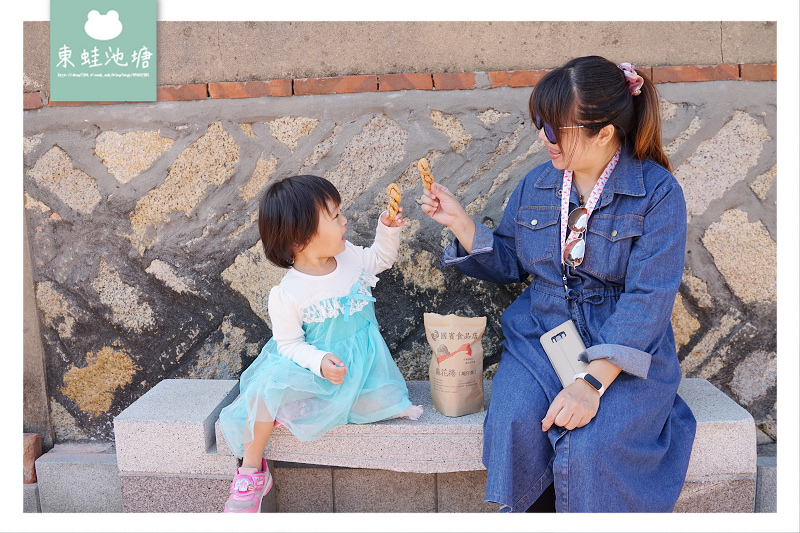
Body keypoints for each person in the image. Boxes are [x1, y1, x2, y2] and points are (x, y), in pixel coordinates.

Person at [420, 55, 696, 512]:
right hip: (541, 335)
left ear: (604, 131)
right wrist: (461, 223)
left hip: (618, 348)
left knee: (592, 447)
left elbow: (648, 301)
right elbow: (510, 263)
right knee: (513, 421)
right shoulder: (537, 184)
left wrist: (590, 383)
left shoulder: (659, 193)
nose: (542, 138)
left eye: (554, 129)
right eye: (539, 123)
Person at [219, 175, 422, 513]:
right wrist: (320, 361)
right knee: (264, 390)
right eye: (334, 216)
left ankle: (314, 407)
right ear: (300, 236)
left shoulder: (351, 259)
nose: (344, 221)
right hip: (313, 367)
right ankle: (251, 472)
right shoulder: (288, 293)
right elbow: (290, 345)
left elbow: (380, 259)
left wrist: (387, 229)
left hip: (360, 366)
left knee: (385, 403)